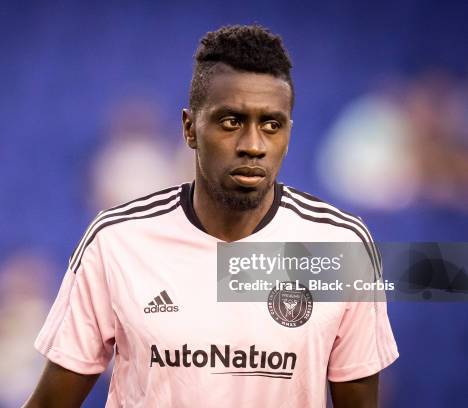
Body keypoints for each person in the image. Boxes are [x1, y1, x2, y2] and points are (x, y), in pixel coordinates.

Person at [24, 24, 398, 407]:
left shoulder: (342, 245)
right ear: (190, 128)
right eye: (231, 122)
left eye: (271, 125)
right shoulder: (115, 241)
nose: (253, 145)